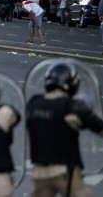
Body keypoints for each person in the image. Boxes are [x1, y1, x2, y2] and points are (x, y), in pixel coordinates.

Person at [26, 62, 103, 197]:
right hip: (64, 171)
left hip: (39, 173)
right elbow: (99, 127)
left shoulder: (33, 104)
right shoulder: (72, 107)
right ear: (72, 83)